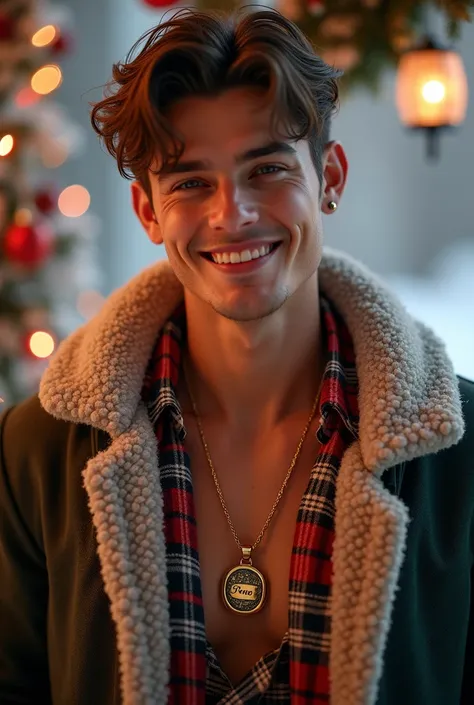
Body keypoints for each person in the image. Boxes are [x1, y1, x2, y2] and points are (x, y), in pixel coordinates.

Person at [0, 7, 473, 705]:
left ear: (330, 178)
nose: (233, 214)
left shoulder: (458, 449)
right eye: (191, 181)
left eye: (268, 169)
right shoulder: (38, 452)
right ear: (148, 210)